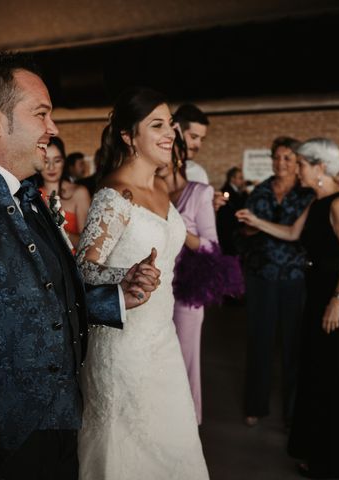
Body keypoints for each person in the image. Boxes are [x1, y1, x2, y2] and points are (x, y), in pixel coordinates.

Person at [0, 51, 160, 480]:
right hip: (3, 445)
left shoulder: (28, 197)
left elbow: (39, 299)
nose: (53, 129)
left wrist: (116, 298)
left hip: (58, 423)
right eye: (42, 114)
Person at [76, 87, 209, 479]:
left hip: (161, 340)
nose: (170, 133)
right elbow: (82, 269)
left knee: (174, 446)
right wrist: (126, 275)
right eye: (157, 125)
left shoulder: (162, 189)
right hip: (122, 346)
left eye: (170, 124)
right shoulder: (116, 195)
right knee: (128, 453)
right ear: (128, 136)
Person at [237, 138, 339, 479]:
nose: (298, 169)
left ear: (319, 167)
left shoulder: (338, 204)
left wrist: (336, 303)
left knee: (329, 380)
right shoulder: (317, 202)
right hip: (319, 292)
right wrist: (255, 220)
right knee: (316, 375)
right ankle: (313, 451)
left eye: (303, 164)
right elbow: (292, 233)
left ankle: (331, 465)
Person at [159, 137, 242, 425]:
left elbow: (212, 247)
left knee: (184, 362)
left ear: (178, 158)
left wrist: (180, 230)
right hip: (155, 288)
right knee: (159, 362)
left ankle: (187, 424)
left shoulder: (199, 192)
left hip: (187, 289)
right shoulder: (151, 190)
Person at [241, 136, 315, 428]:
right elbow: (246, 233)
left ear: (298, 162)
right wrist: (247, 227)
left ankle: (293, 410)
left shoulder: (307, 194)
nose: (280, 163)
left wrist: (260, 225)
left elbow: (300, 233)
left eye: (287, 158)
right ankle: (255, 404)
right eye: (277, 157)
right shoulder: (260, 190)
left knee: (293, 345)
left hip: (295, 276)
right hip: (261, 274)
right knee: (259, 341)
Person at [39, 137, 91, 248]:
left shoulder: (79, 192)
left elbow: (87, 244)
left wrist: (58, 230)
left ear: (64, 161)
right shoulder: (31, 193)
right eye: (45, 161)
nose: (51, 167)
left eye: (57, 161)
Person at [173, 103, 210, 184]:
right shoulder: (155, 171)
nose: (198, 145)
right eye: (193, 137)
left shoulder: (199, 174)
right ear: (176, 132)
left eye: (202, 139)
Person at [216, 166, 249, 255]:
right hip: (229, 232)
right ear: (233, 179)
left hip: (236, 233)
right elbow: (237, 208)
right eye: (240, 178)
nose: (243, 181)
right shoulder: (226, 192)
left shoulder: (239, 191)